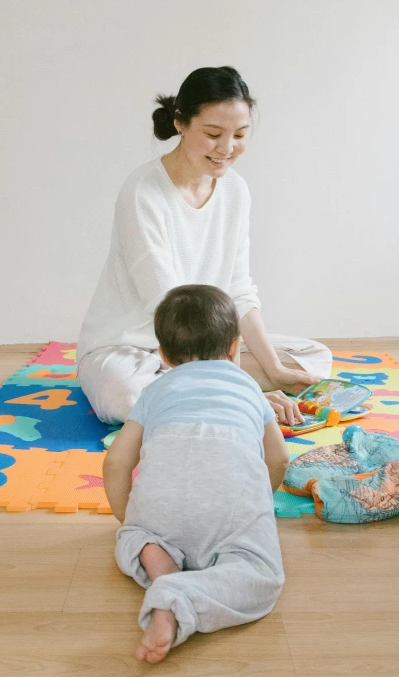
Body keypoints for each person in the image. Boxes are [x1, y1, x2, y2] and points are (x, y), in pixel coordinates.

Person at [78, 66, 332, 426]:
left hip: (209, 340)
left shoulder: (235, 190)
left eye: (240, 135)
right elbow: (169, 306)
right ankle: (217, 392)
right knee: (124, 397)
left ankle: (192, 393)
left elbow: (238, 289)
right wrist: (239, 387)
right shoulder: (142, 193)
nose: (226, 149)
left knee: (313, 358)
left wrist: (274, 369)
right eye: (213, 134)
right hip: (133, 345)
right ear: (181, 123)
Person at [103, 285, 289, 663]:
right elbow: (279, 459)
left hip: (161, 508)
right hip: (231, 508)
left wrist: (131, 520)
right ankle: (181, 597)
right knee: (261, 576)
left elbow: (116, 463)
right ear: (236, 347)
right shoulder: (250, 387)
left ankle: (153, 551)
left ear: (164, 355)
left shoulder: (156, 389)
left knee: (133, 535)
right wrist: (255, 503)